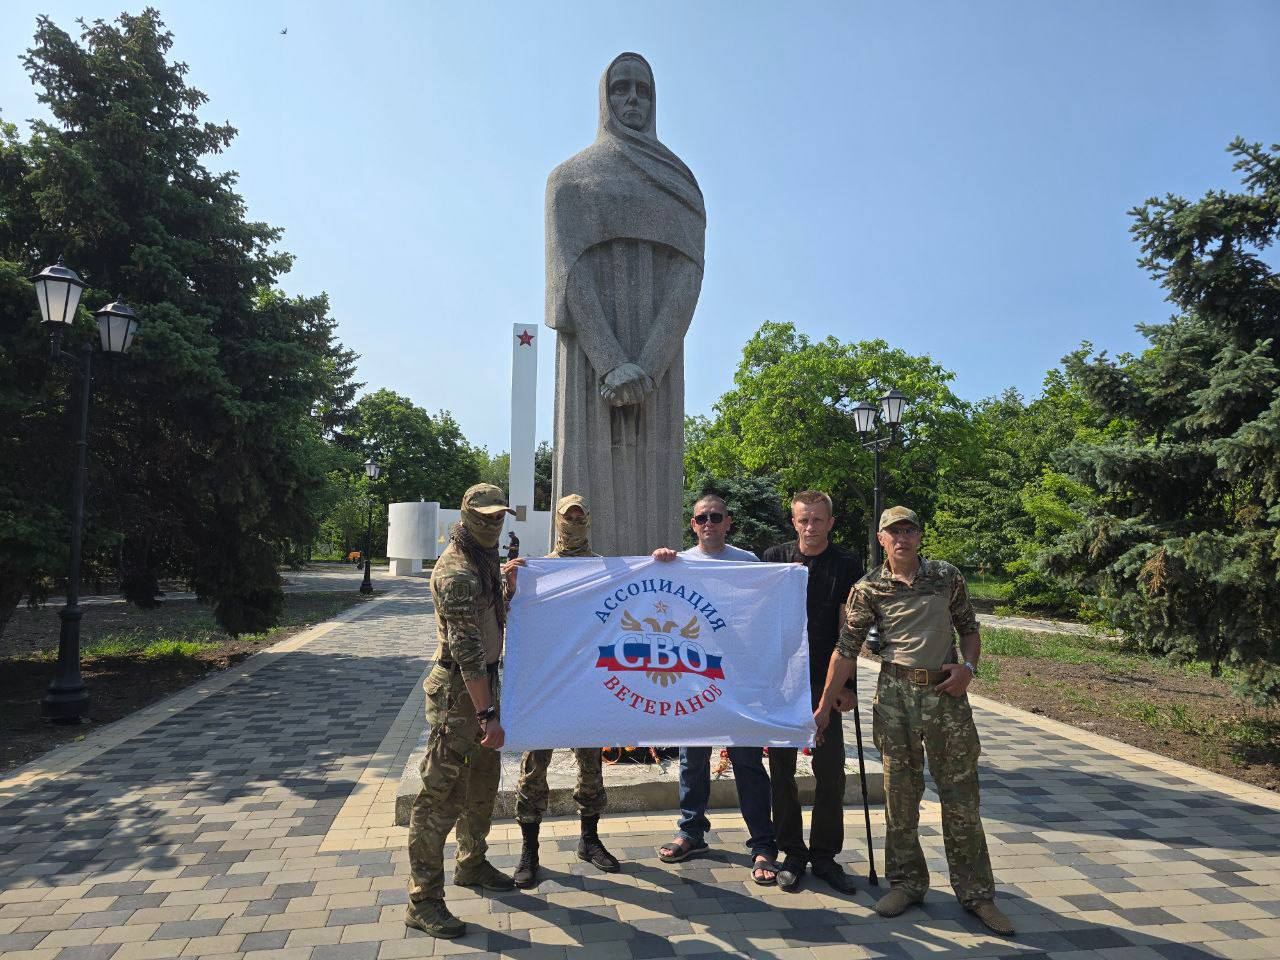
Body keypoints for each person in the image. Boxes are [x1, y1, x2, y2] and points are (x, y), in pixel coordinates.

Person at [814, 507, 1014, 936]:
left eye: (909, 531)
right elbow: (846, 649)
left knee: (961, 798)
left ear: (920, 536)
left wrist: (969, 670)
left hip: (946, 695)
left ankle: (977, 894)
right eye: (893, 533)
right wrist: (826, 704)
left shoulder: (946, 576)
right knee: (899, 797)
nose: (902, 538)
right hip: (894, 697)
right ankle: (906, 884)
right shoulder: (868, 588)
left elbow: (969, 628)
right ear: (881, 540)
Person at [405, 484, 516, 939]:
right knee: (439, 799)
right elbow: (467, 651)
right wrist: (487, 714)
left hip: (483, 684)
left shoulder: (482, 560)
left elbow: (490, 620)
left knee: (483, 782)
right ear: (467, 514)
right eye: (485, 516)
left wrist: (506, 589)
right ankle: (423, 900)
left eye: (499, 516)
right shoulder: (457, 571)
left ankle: (472, 862)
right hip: (460, 693)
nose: (493, 523)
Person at [651, 494, 779, 885]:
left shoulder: (748, 563)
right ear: (692, 525)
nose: (708, 523)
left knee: (747, 761)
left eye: (715, 517)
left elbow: (765, 613)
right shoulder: (680, 562)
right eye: (700, 518)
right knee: (693, 758)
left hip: (739, 677)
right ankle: (691, 832)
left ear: (728, 522)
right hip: (695, 674)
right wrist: (656, 565)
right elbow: (662, 606)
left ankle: (763, 844)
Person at [503, 495, 620, 889]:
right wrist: (511, 585)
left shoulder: (605, 569)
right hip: (545, 685)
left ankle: (589, 840)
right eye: (567, 518)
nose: (573, 524)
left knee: (591, 768)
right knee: (534, 770)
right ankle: (529, 851)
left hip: (587, 684)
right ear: (557, 521)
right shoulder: (537, 569)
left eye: (579, 517)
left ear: (588, 520)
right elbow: (506, 616)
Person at [762, 491, 862, 893]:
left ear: (831, 523)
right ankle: (792, 851)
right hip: (782, 684)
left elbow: (849, 629)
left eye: (818, 520)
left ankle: (824, 855)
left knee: (831, 772)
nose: (810, 527)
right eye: (803, 520)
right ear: (793, 521)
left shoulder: (846, 563)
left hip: (827, 681)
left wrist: (846, 686)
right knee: (781, 772)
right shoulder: (773, 558)